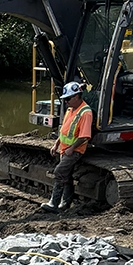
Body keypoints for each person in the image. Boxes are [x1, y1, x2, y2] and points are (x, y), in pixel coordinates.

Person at [42, 81, 93, 214]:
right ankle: (66, 204)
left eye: (68, 98)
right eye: (65, 99)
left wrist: (72, 148)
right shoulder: (70, 109)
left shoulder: (85, 112)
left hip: (75, 150)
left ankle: (54, 203)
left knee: (59, 172)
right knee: (67, 175)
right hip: (64, 149)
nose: (66, 102)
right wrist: (56, 144)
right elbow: (65, 131)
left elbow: (85, 136)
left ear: (77, 96)